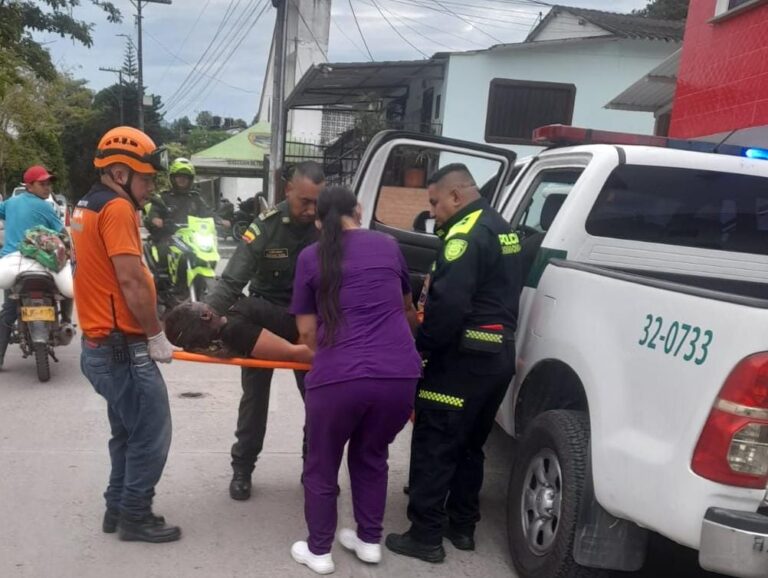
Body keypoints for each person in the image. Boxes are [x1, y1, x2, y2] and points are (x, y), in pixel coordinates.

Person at [385, 164, 522, 562]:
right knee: (469, 445)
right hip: (497, 358)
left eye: (435, 202)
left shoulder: (463, 236)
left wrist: (421, 347)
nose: (432, 212)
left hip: (461, 360)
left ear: (456, 197)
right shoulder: (502, 227)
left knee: (435, 441)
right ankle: (462, 527)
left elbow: (449, 307)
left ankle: (425, 535)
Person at [288, 186, 422, 574]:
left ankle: (319, 551)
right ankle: (368, 541)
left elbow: (307, 332)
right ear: (358, 210)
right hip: (398, 376)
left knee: (322, 462)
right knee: (371, 455)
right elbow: (407, 308)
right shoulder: (387, 245)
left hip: (338, 378)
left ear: (318, 222)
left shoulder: (310, 257)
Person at [70, 126, 181, 543]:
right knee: (151, 433)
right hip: (121, 346)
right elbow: (131, 280)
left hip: (102, 344)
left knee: (128, 431)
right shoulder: (116, 209)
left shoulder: (86, 205)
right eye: (146, 178)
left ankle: (116, 507)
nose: (151, 187)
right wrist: (155, 334)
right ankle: (135, 514)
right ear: (119, 172)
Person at [205, 161, 325, 501]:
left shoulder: (326, 226)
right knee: (255, 398)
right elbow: (232, 280)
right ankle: (242, 469)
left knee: (319, 401)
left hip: (308, 325)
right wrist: (207, 317)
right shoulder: (266, 227)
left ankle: (313, 468)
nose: (311, 209)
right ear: (288, 190)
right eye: (305, 201)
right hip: (265, 320)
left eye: (317, 201)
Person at [0, 165, 73, 369]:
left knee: (8, 310)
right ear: (29, 186)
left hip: (12, 262)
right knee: (66, 289)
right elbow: (62, 233)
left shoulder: (11, 202)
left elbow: (1, 211)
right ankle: (66, 320)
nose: (47, 187)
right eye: (42, 184)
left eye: (48, 183)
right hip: (41, 261)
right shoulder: (45, 207)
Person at [163, 300, 313, 365]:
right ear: (205, 315)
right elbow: (295, 352)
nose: (199, 301)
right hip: (326, 337)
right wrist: (335, 357)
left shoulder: (231, 323)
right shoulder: (236, 332)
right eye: (192, 304)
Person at [144, 157, 211, 281]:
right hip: (169, 236)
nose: (182, 180)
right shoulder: (163, 197)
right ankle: (164, 281)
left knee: (207, 252)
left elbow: (207, 213)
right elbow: (153, 213)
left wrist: (220, 220)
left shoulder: (196, 198)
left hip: (191, 237)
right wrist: (155, 219)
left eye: (185, 177)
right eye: (179, 176)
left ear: (190, 179)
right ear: (172, 178)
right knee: (164, 250)